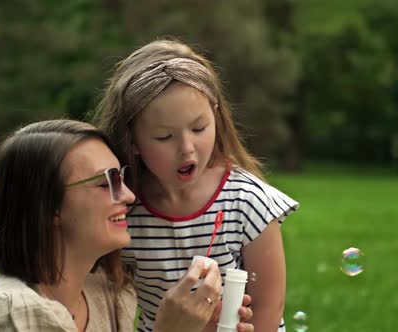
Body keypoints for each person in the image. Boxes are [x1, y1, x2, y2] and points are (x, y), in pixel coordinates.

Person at [0, 119, 254, 332]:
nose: (128, 196)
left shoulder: (104, 294)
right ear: (49, 206)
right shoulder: (15, 312)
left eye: (121, 179)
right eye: (105, 183)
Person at [96, 38, 300, 332]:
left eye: (199, 128)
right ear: (132, 140)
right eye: (164, 137)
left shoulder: (247, 201)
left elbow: (269, 307)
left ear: (216, 115)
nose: (187, 148)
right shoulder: (123, 210)